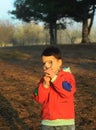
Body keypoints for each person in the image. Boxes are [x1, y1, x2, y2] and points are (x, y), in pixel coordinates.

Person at [32, 46, 76, 130]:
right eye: (44, 63)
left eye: (50, 62)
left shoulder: (67, 77)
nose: (46, 66)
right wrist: (45, 85)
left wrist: (55, 78)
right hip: (48, 122)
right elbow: (39, 98)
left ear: (59, 62)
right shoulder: (44, 80)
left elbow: (67, 92)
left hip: (65, 122)